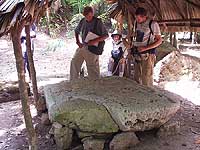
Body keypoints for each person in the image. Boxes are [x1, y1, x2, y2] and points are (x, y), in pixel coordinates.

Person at [70, 6, 109, 80]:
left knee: (92, 68)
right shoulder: (83, 21)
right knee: (74, 62)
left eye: (89, 16)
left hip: (93, 48)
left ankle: (95, 85)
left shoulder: (98, 22)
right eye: (86, 17)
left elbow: (106, 35)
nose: (88, 18)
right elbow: (76, 31)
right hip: (83, 46)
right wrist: (77, 41)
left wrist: (94, 41)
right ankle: (73, 81)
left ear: (92, 14)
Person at [131, 7, 162, 86]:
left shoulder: (153, 24)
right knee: (137, 77)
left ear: (144, 16)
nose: (137, 20)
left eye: (139, 18)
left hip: (147, 54)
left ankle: (148, 95)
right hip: (137, 53)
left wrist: (145, 48)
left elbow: (159, 41)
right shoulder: (136, 23)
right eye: (136, 18)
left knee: (146, 77)